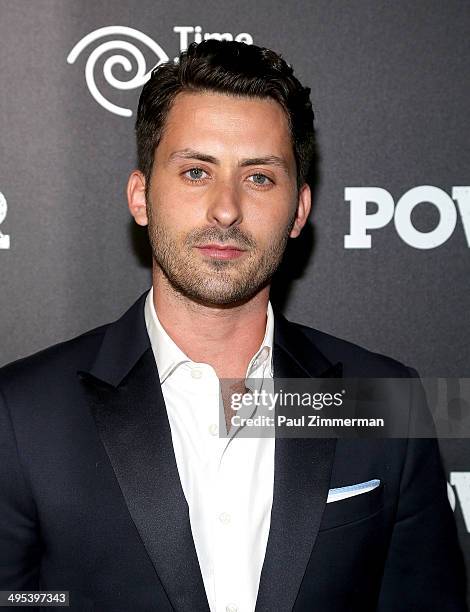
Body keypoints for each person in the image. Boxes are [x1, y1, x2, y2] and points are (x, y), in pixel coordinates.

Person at [0, 40, 466, 612]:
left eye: (260, 178)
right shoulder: (23, 413)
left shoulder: (380, 399)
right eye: (196, 172)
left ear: (299, 210)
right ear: (142, 198)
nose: (226, 209)